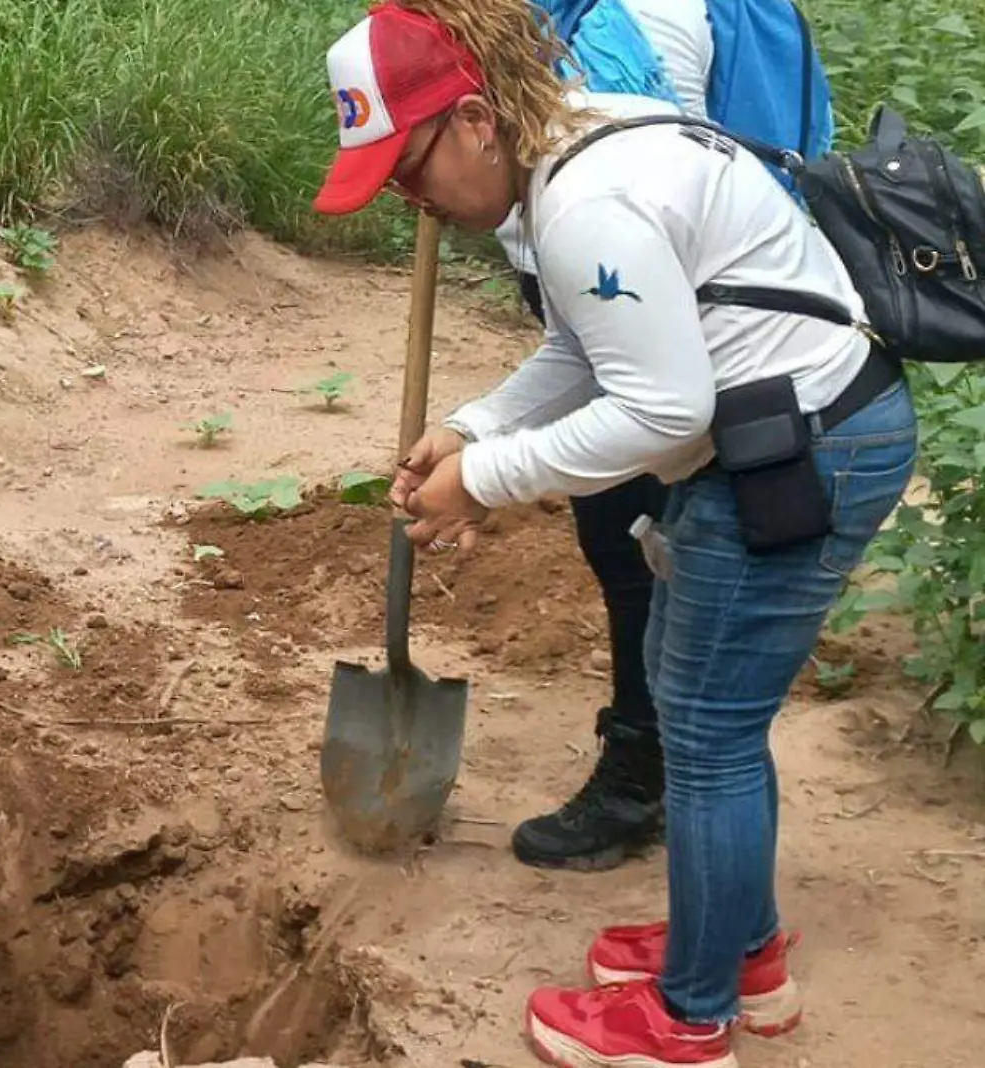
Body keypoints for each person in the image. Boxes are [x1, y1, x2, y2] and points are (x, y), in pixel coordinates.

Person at [312, 3, 915, 1066]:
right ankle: (741, 955)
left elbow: (661, 410)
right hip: (783, 434)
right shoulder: (576, 146)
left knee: (709, 728)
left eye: (408, 170)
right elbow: (592, 351)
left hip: (798, 450)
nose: (411, 202)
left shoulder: (587, 200)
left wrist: (484, 482)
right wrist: (473, 423)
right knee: (700, 707)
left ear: (472, 122)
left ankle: (690, 1020)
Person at [489, 0, 833, 873]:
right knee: (643, 556)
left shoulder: (637, 20)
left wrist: (490, 468)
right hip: (639, 322)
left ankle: (650, 774)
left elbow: (627, 205)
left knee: (647, 555)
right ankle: (677, 786)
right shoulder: (564, 16)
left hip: (676, 337)